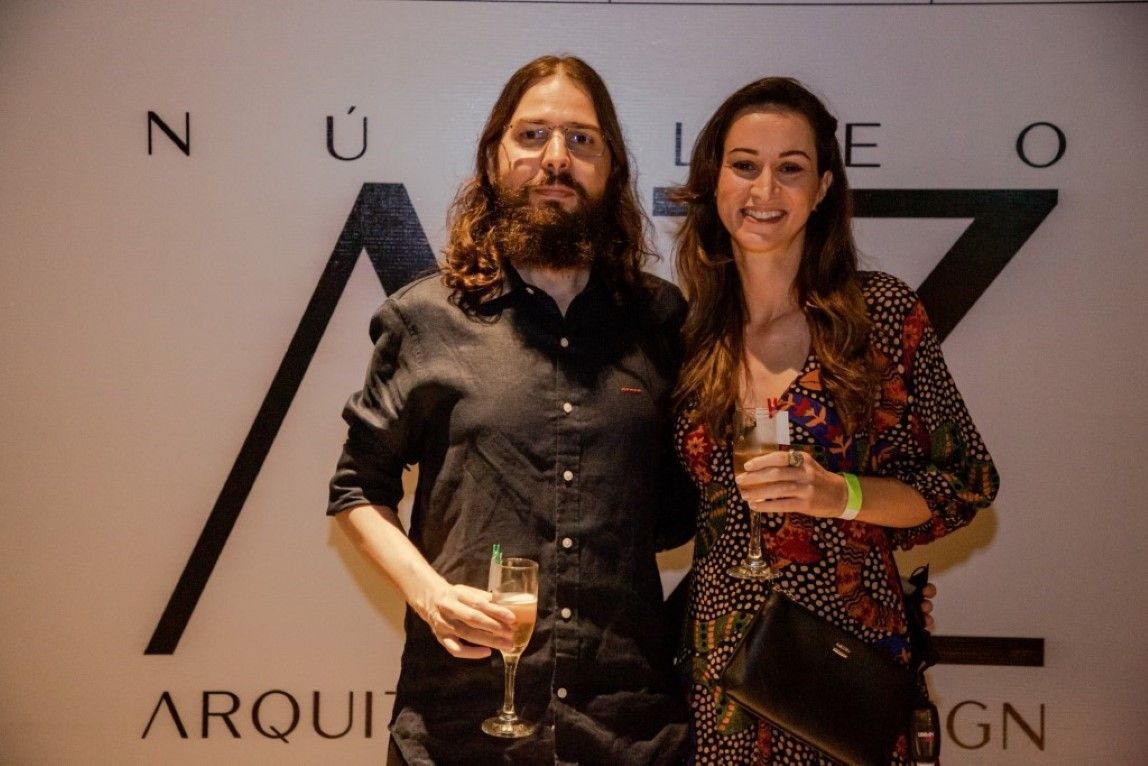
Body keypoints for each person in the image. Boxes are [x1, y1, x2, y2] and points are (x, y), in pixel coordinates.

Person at [328, 55, 695, 765]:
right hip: (459, 726)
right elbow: (355, 490)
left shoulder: (662, 320)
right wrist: (432, 598)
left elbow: (696, 511)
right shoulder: (423, 318)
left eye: (582, 140)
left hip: (629, 729)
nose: (556, 159)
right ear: (494, 159)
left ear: (612, 169)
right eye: (532, 136)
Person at [671, 77, 999, 764]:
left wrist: (839, 494)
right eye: (744, 165)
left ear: (821, 189)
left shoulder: (879, 315)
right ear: (714, 180)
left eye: (790, 168)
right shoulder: (687, 332)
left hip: (842, 657)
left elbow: (967, 483)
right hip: (718, 669)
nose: (764, 190)